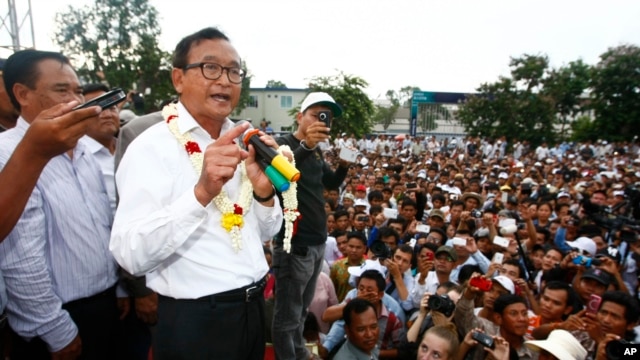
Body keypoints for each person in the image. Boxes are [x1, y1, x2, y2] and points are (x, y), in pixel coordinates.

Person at [110, 27, 283, 359]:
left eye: (234, 71)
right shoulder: (151, 147)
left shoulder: (244, 142)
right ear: (178, 78)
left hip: (251, 311)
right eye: (210, 68)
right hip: (197, 321)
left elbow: (265, 232)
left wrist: (263, 195)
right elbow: (130, 253)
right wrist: (201, 192)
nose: (224, 80)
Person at [0, 49, 121, 359]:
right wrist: (54, 328)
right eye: (62, 90)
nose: (77, 101)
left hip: (104, 306)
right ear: (22, 94)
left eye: (78, 91)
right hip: (58, 320)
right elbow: (19, 257)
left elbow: (105, 226)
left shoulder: (84, 151)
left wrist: (118, 288)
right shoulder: (8, 154)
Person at [272, 91, 349, 359]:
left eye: (326, 118)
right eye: (316, 115)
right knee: (287, 317)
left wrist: (344, 166)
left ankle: (299, 354)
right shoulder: (282, 143)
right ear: (299, 117)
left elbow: (330, 183)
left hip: (316, 242)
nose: (322, 121)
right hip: (295, 243)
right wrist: (305, 146)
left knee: (301, 311)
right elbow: (280, 168)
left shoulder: (316, 152)